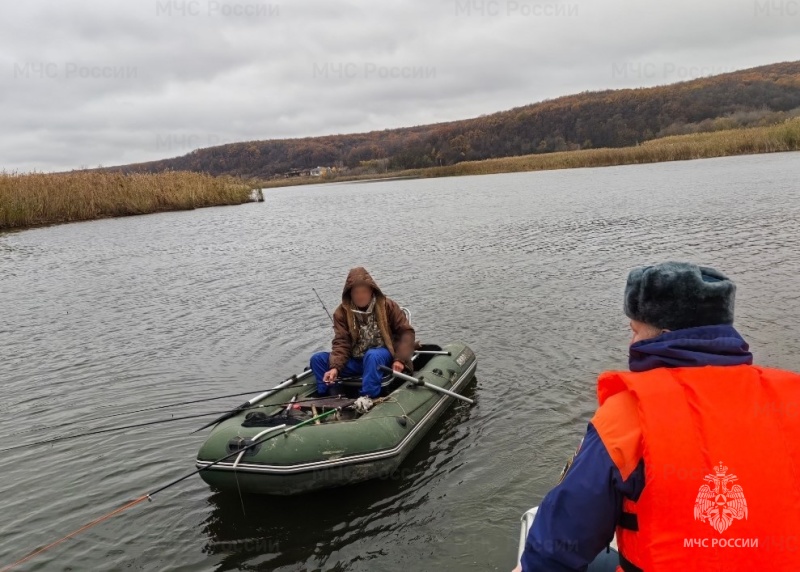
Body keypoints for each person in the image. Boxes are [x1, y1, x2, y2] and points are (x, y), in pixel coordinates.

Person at [515, 262, 800, 571]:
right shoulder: (790, 397)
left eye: (636, 331)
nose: (632, 343)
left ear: (664, 334)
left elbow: (561, 539)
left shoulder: (628, 415)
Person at [310, 267, 415, 406]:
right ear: (350, 294)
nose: (360, 296)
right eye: (356, 292)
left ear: (372, 290)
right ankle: (328, 397)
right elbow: (342, 342)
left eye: (364, 291)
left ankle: (367, 398)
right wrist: (335, 367)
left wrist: (400, 359)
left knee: (372, 355)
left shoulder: (387, 305)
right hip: (355, 358)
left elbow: (406, 332)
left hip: (382, 355)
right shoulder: (341, 313)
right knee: (317, 359)